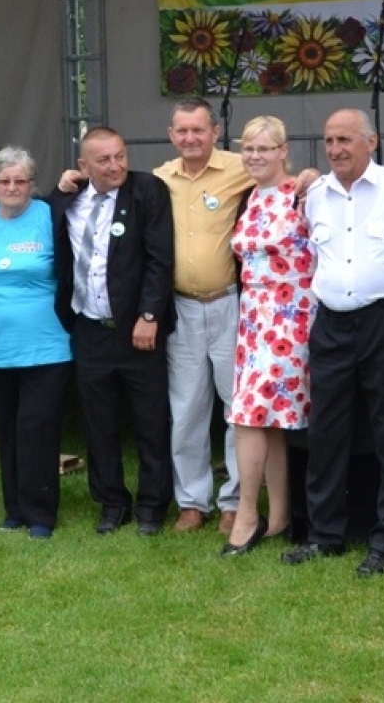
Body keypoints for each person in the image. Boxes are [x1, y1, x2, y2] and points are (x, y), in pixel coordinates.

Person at [283, 109, 384, 578]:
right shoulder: (315, 194)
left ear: (372, 141)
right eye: (329, 141)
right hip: (332, 325)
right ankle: (325, 535)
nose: (336, 149)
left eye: (345, 139)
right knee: (326, 431)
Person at [52, 127, 177, 537]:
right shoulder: (68, 199)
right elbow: (21, 202)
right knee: (98, 422)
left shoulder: (147, 191)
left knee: (151, 421)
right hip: (90, 329)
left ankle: (153, 505)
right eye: (104, 160)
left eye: (120, 155)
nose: (116, 165)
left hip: (138, 330)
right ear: (83, 166)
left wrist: (148, 315)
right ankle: (111, 502)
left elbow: (160, 259)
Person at [153, 99, 251, 534]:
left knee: (237, 408)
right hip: (182, 308)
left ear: (216, 130)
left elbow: (286, 178)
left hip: (231, 304)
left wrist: (305, 176)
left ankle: (235, 501)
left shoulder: (240, 167)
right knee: (187, 408)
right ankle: (193, 502)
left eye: (198, 130)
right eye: (182, 131)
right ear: (172, 135)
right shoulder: (159, 179)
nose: (190, 138)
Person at [0, 147, 73, 539]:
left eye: (20, 181)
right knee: (8, 430)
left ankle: (41, 513)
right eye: (4, 181)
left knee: (37, 428)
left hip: (47, 346)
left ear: (33, 184)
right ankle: (13, 509)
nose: (12, 187)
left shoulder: (50, 215)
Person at [223, 116, 315, 556]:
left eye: (264, 149)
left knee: (247, 415)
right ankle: (278, 514)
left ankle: (246, 513)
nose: (255, 157)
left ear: (283, 151)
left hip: (290, 317)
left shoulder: (303, 193)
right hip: (252, 318)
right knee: (269, 422)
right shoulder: (249, 197)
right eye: (248, 149)